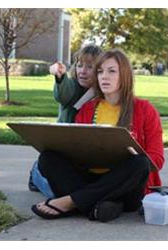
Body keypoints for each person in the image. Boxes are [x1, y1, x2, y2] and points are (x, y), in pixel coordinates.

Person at [31, 49, 164, 222]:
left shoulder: (145, 110)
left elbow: (157, 160)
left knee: (140, 163)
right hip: (89, 179)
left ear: (124, 75)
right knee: (48, 158)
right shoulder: (87, 109)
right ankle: (102, 205)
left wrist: (130, 152)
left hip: (124, 184)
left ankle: (71, 202)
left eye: (111, 71)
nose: (104, 76)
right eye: (100, 71)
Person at [28, 44, 103, 196]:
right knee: (61, 193)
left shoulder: (101, 92)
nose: (82, 71)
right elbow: (63, 94)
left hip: (84, 154)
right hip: (64, 150)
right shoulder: (73, 88)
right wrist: (60, 77)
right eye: (79, 65)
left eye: (89, 67)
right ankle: (36, 176)